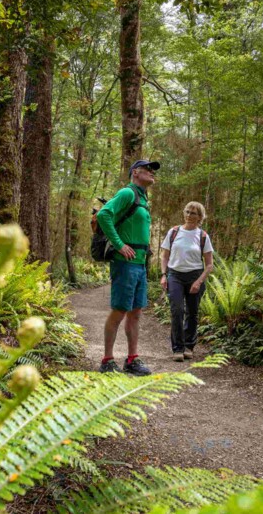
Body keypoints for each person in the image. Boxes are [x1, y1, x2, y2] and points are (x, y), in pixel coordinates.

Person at [95, 159, 159, 375]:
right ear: (135, 173)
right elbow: (104, 214)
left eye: (153, 171)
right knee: (119, 310)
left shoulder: (142, 198)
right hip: (125, 264)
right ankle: (107, 360)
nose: (152, 173)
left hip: (140, 264)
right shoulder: (127, 193)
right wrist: (119, 244)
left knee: (136, 313)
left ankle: (132, 359)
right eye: (148, 170)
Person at [160, 201, 214, 361]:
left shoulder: (203, 236)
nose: (189, 215)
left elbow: (209, 264)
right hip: (174, 275)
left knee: (192, 313)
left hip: (195, 276)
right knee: (177, 311)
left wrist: (199, 281)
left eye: (194, 213)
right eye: (188, 212)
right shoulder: (174, 232)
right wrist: (164, 275)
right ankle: (177, 348)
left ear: (200, 217)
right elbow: (164, 256)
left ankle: (189, 346)